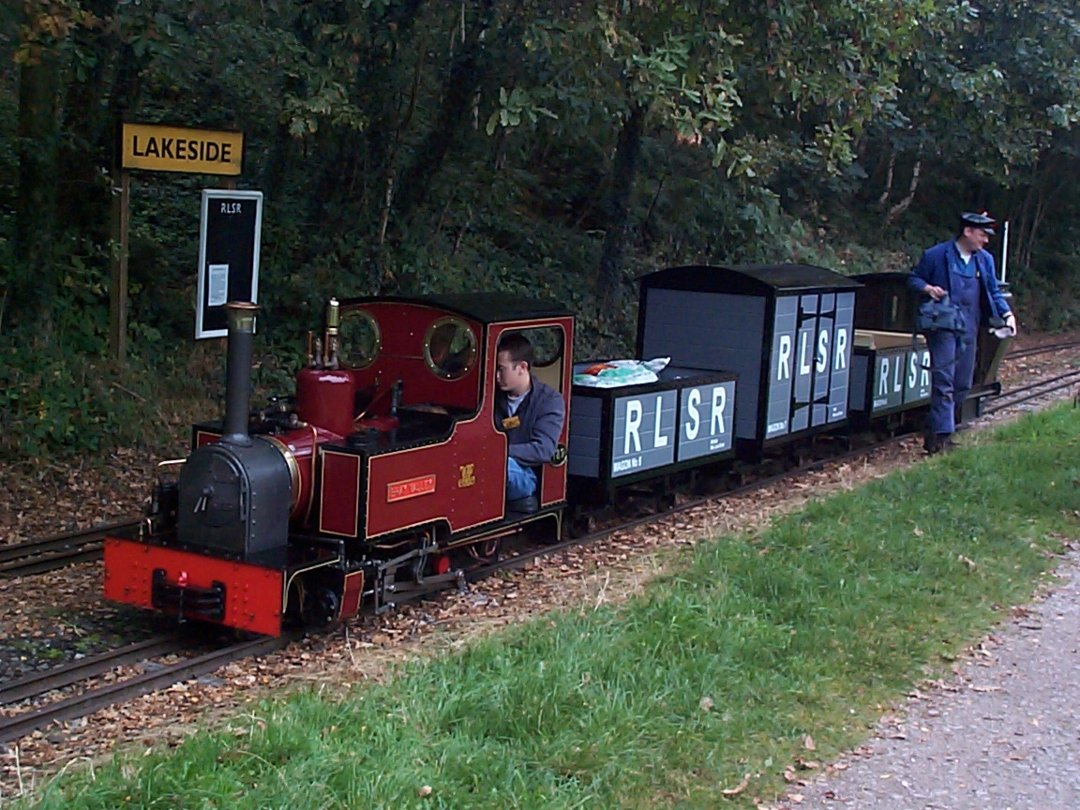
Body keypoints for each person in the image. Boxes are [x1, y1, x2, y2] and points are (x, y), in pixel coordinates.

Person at [908, 211, 1017, 454]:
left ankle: (935, 428)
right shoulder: (936, 255)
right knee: (944, 381)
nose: (986, 240)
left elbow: (993, 291)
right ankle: (942, 438)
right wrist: (927, 288)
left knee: (962, 383)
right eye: (982, 234)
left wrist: (1007, 314)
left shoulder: (985, 260)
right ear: (967, 231)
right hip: (943, 327)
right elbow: (913, 279)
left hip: (969, 327)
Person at [494, 332, 565, 509]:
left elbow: (543, 449)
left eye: (501, 369)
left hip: (526, 474)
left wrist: (497, 453)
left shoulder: (549, 401)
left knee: (503, 467)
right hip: (492, 463)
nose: (496, 376)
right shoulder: (492, 398)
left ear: (522, 367)